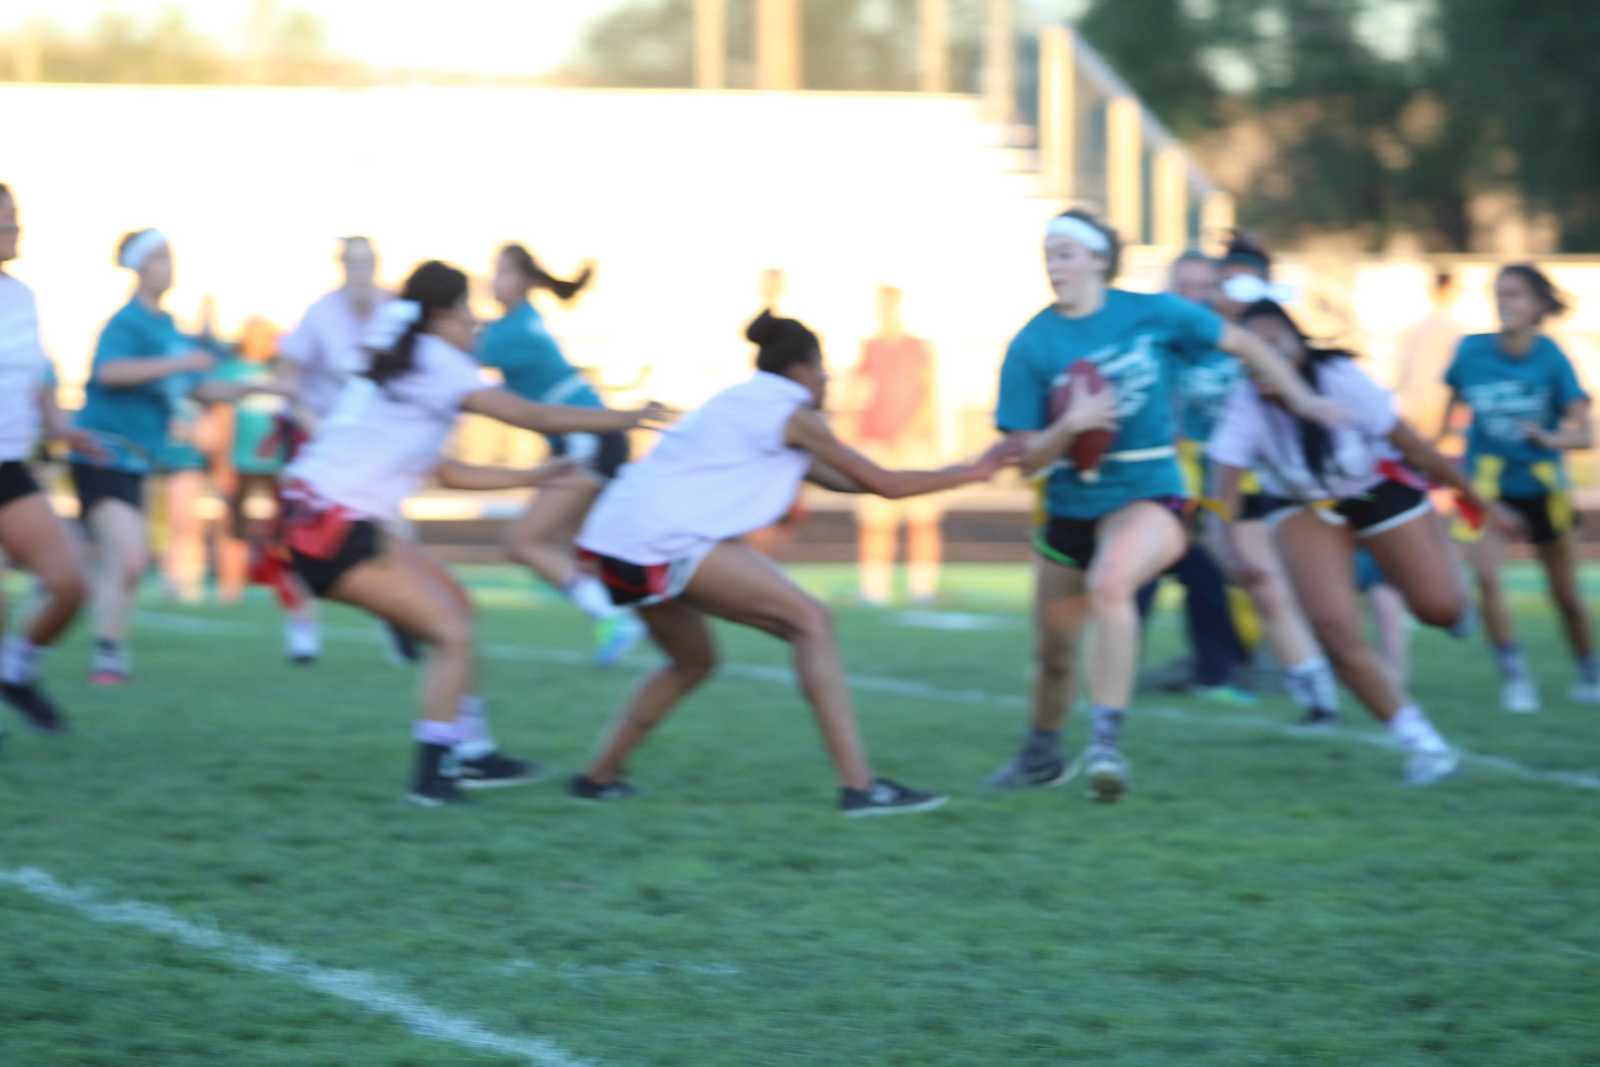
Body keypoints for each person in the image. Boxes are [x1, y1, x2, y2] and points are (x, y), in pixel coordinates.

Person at [571, 310, 1018, 816]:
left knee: (692, 662)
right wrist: (976, 470)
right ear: (802, 369)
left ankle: (597, 777)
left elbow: (849, 481)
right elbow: (885, 483)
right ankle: (861, 788)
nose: (828, 380)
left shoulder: (741, 401)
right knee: (811, 621)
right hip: (662, 541)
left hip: (615, 540)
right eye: (823, 369)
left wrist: (966, 472)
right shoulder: (793, 412)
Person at [280, 260, 670, 805]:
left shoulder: (406, 360)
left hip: (322, 514)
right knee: (451, 634)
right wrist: (623, 418)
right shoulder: (436, 361)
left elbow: (447, 472)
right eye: (467, 308)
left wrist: (533, 476)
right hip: (333, 523)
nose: (475, 320)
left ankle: (473, 751)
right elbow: (532, 415)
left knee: (457, 608)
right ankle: (433, 778)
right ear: (442, 315)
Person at [983, 210, 1342, 803]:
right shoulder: (1032, 344)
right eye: (1050, 253)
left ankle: (1105, 746)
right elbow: (1025, 460)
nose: (1055, 264)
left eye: (1067, 252)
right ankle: (1041, 753)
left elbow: (1245, 342)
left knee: (1113, 582)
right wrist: (1070, 426)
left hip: (1149, 492)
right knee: (1053, 654)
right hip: (1071, 505)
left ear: (1100, 259)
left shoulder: (1153, 313)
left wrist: (1303, 399)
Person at [1210, 299, 1494, 785]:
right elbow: (1222, 498)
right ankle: (1422, 744)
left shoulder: (1340, 378)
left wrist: (1473, 498)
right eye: (1255, 350)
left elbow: (1413, 445)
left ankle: (1451, 598)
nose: (1267, 359)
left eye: (1276, 344)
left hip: (1376, 485)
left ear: (1299, 345)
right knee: (1333, 629)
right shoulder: (1244, 404)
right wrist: (1227, 551)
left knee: (1439, 607)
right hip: (1305, 504)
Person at [71, 229, 285, 685]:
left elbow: (201, 389)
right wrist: (180, 363)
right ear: (138, 267)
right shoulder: (126, 322)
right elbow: (110, 372)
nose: (169, 266)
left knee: (125, 561)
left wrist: (259, 387)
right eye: (159, 257)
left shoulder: (167, 326)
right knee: (129, 557)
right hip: (101, 453)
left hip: (137, 462)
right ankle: (103, 652)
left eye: (170, 257)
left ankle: (108, 652)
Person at [481, 244, 645, 666]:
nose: (493, 279)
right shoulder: (520, 322)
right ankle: (625, 615)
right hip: (590, 436)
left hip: (584, 439)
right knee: (581, 547)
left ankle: (615, 618)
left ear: (524, 282)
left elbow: (450, 356)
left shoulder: (510, 332)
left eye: (502, 271)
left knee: (523, 541)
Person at [1442, 264, 1596, 711]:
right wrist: (1439, 451)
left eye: (1515, 294)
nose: (1504, 302)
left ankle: (1588, 668)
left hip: (1542, 486)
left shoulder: (1552, 358)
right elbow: (1452, 410)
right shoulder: (1470, 351)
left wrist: (1549, 439)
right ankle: (1514, 675)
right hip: (1484, 485)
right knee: (1488, 579)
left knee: (1565, 594)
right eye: (1499, 293)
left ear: (1538, 305)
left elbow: (1585, 435)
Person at [1206, 232, 1342, 726]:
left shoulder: (1281, 334)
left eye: (1244, 282)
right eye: (1227, 283)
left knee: (1329, 594)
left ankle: (1356, 666)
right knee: (1260, 582)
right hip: (1236, 480)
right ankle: (1315, 690)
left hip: (1307, 482)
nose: (1234, 293)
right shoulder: (1200, 338)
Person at [0, 182, 101, 732]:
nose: (14, 229)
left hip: (10, 464)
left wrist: (63, 429)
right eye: (4, 220)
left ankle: (15, 671)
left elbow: (38, 378)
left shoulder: (22, 297)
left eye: (15, 218)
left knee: (69, 586)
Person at [1135, 251, 1253, 703]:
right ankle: (1213, 673)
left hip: (1226, 482)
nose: (1194, 297)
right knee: (1154, 573)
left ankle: (1223, 669)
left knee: (1207, 576)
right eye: (1184, 287)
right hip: (1165, 484)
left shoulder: (1235, 344)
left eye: (1203, 287)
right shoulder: (1153, 347)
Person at [211, 316, 321, 663]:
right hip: (246, 464)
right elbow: (222, 415)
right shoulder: (235, 372)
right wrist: (222, 464)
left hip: (285, 470)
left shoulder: (290, 379)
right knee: (237, 530)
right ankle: (232, 593)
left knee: (290, 542)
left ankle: (299, 615)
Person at [842, 285, 945, 605]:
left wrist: (909, 434)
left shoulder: (917, 348)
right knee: (875, 521)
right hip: (876, 445)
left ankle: (922, 588)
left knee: (922, 519)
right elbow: (854, 394)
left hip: (913, 446)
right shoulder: (868, 349)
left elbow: (929, 394)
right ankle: (874, 589)